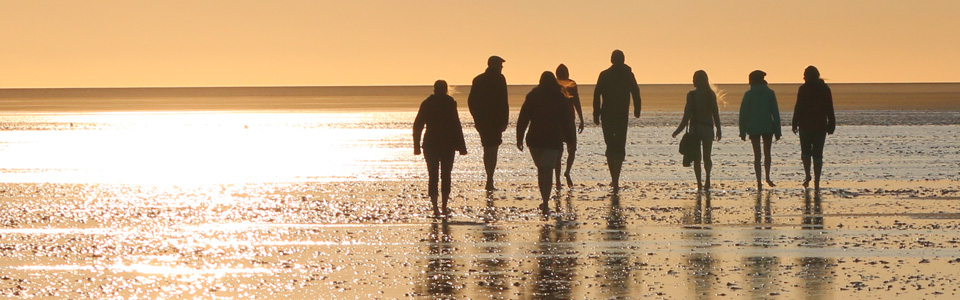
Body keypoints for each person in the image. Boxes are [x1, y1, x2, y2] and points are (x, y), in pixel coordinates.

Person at [517, 71, 576, 213]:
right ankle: (545, 201)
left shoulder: (532, 96)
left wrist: (519, 138)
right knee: (548, 170)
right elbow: (566, 121)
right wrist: (570, 140)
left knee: (541, 170)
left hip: (535, 139)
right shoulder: (559, 97)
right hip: (552, 139)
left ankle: (544, 201)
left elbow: (523, 118)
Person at [414, 80, 468, 218]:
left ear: (434, 89)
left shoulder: (427, 103)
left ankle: (435, 208)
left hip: (430, 143)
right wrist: (461, 146)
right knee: (446, 175)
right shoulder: (450, 103)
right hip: (447, 143)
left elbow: (418, 125)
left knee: (433, 175)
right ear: (445, 89)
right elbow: (456, 124)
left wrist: (416, 145)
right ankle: (443, 207)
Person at [593, 50, 641, 192]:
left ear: (612, 60)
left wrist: (596, 114)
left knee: (611, 145)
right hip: (619, 115)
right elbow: (636, 92)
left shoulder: (606, 75)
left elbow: (597, 94)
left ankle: (614, 178)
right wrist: (637, 109)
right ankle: (615, 178)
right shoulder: (626, 74)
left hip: (609, 115)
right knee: (618, 146)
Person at [672, 70, 722, 191]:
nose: (693, 81)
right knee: (707, 157)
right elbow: (715, 113)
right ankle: (708, 179)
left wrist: (678, 131)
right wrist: (719, 129)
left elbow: (686, 116)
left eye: (694, 78)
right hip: (708, 128)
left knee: (697, 159)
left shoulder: (691, 95)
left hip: (695, 129)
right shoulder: (711, 94)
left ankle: (699, 183)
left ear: (699, 80)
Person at [468, 56, 509, 191]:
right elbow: (504, 101)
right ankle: (490, 178)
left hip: (483, 121)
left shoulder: (478, 79)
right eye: (500, 65)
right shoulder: (499, 79)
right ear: (495, 65)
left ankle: (489, 178)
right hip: (495, 120)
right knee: (493, 149)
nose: (502, 68)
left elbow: (471, 101)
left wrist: (476, 118)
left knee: (487, 148)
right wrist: (504, 121)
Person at [792, 66, 835, 190]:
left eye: (805, 74)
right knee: (818, 154)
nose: (803, 77)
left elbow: (798, 107)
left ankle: (807, 175)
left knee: (806, 152)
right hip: (820, 125)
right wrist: (832, 124)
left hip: (806, 125)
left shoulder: (803, 89)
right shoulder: (825, 89)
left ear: (809, 76)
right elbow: (829, 108)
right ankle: (816, 180)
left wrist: (795, 122)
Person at [738, 70, 782, 190]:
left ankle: (759, 181)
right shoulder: (770, 93)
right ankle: (767, 177)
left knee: (757, 155)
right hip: (768, 127)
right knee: (767, 153)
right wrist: (778, 130)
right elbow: (775, 113)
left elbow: (743, 114)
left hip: (753, 128)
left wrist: (742, 131)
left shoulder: (749, 95)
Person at [554, 64, 584, 188]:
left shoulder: (555, 85)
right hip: (568, 121)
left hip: (558, 122)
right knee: (571, 149)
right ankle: (566, 172)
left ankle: (558, 179)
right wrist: (581, 119)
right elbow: (576, 102)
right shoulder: (571, 84)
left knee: (559, 151)